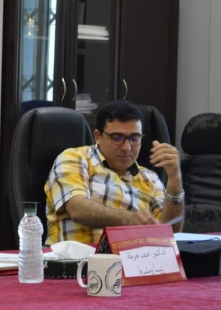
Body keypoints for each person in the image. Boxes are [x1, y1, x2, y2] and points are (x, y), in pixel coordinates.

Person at [44, 100, 184, 245]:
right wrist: (129, 219)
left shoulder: (150, 178)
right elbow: (76, 209)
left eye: (134, 138)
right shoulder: (75, 159)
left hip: (132, 257)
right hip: (77, 256)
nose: (126, 147)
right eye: (117, 138)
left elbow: (168, 233)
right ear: (98, 136)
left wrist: (175, 179)